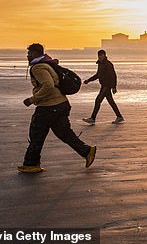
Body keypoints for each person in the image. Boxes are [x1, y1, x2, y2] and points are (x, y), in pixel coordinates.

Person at [18, 43, 96, 173]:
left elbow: (48, 86)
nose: (27, 56)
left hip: (48, 107)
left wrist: (32, 100)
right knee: (64, 133)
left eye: (29, 53)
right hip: (61, 104)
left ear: (35, 54)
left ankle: (31, 164)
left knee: (37, 135)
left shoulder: (38, 67)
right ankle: (87, 151)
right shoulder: (47, 63)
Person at [82, 50, 124, 125]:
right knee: (111, 102)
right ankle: (119, 116)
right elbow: (98, 75)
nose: (100, 57)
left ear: (104, 55)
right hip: (103, 85)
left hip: (107, 86)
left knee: (98, 100)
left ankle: (92, 118)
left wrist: (114, 87)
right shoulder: (100, 64)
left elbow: (113, 76)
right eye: (99, 55)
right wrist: (89, 80)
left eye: (101, 55)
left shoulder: (108, 64)